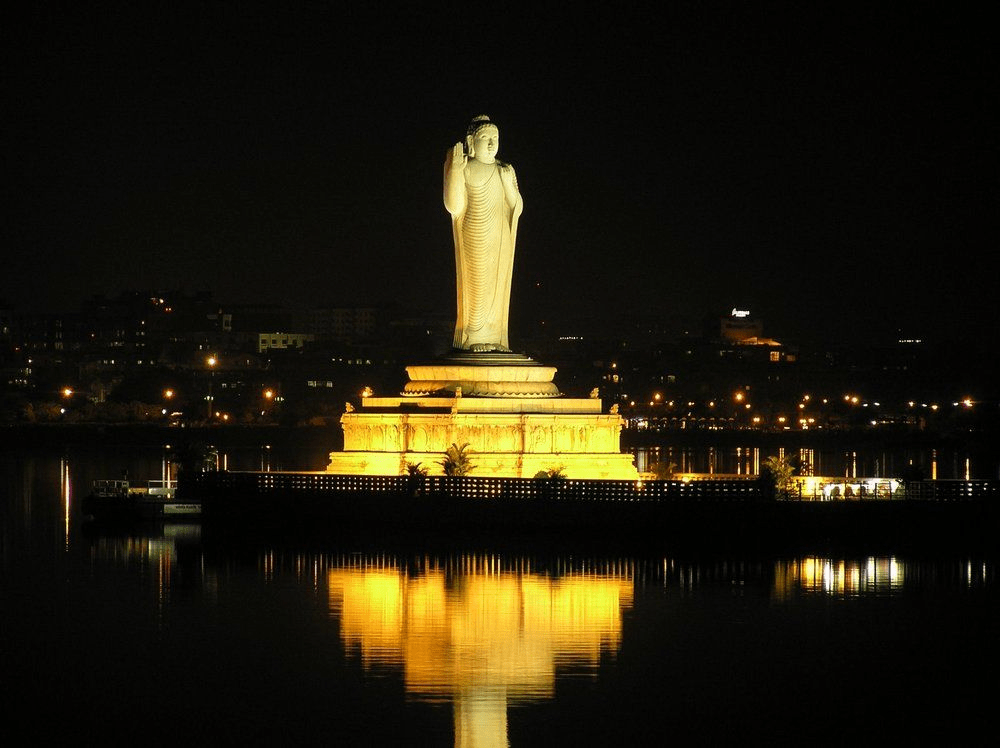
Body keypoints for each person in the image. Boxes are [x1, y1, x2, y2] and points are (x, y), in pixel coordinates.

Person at [444, 115, 523, 352]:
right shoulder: (464, 166)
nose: (491, 144)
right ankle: (473, 336)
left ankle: (497, 337)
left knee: (497, 287)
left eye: (495, 138)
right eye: (485, 138)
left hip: (500, 237)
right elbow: (454, 206)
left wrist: (509, 184)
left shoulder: (504, 169)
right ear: (470, 140)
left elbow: (516, 206)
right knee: (477, 285)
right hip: (475, 232)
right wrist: (456, 171)